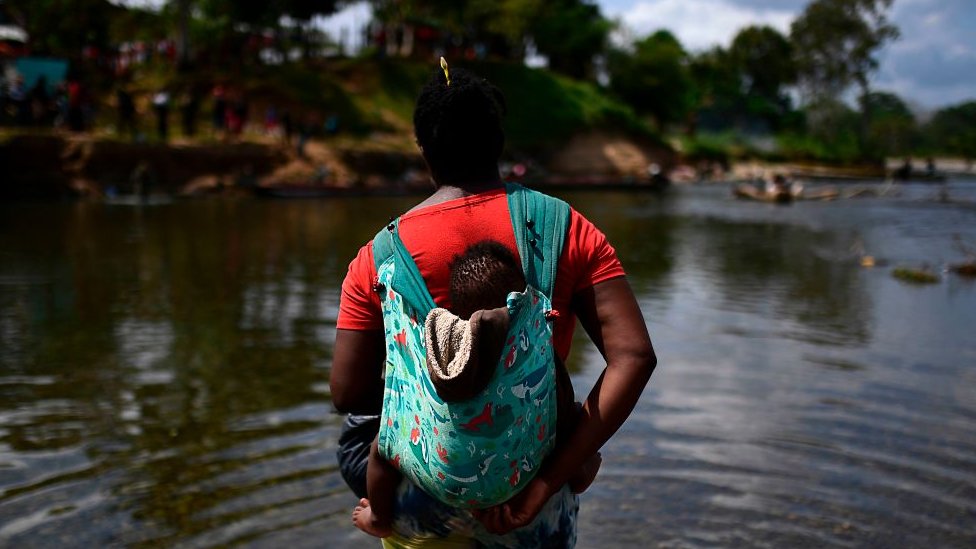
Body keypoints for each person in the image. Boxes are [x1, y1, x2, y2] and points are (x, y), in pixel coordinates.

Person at [330, 61, 655, 546]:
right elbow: (634, 357)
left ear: (425, 151)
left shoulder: (378, 259)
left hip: (424, 492)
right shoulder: (566, 229)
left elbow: (348, 393)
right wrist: (550, 478)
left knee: (362, 428)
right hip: (532, 482)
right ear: (499, 142)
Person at [351, 240, 600, 538]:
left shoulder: (440, 351)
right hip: (517, 482)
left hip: (441, 483)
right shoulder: (532, 351)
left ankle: (378, 518)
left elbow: (351, 394)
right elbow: (560, 405)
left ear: (457, 310)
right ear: (519, 303)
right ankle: (583, 471)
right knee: (571, 421)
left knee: (382, 447)